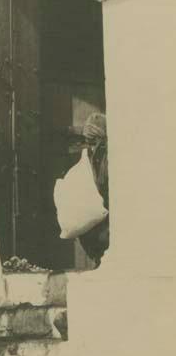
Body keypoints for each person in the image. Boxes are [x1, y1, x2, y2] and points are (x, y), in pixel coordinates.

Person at [78, 113, 109, 266]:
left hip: (108, 212)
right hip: (96, 209)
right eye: (87, 141)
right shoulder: (89, 156)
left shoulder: (109, 156)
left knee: (103, 237)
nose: (90, 145)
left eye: (93, 141)